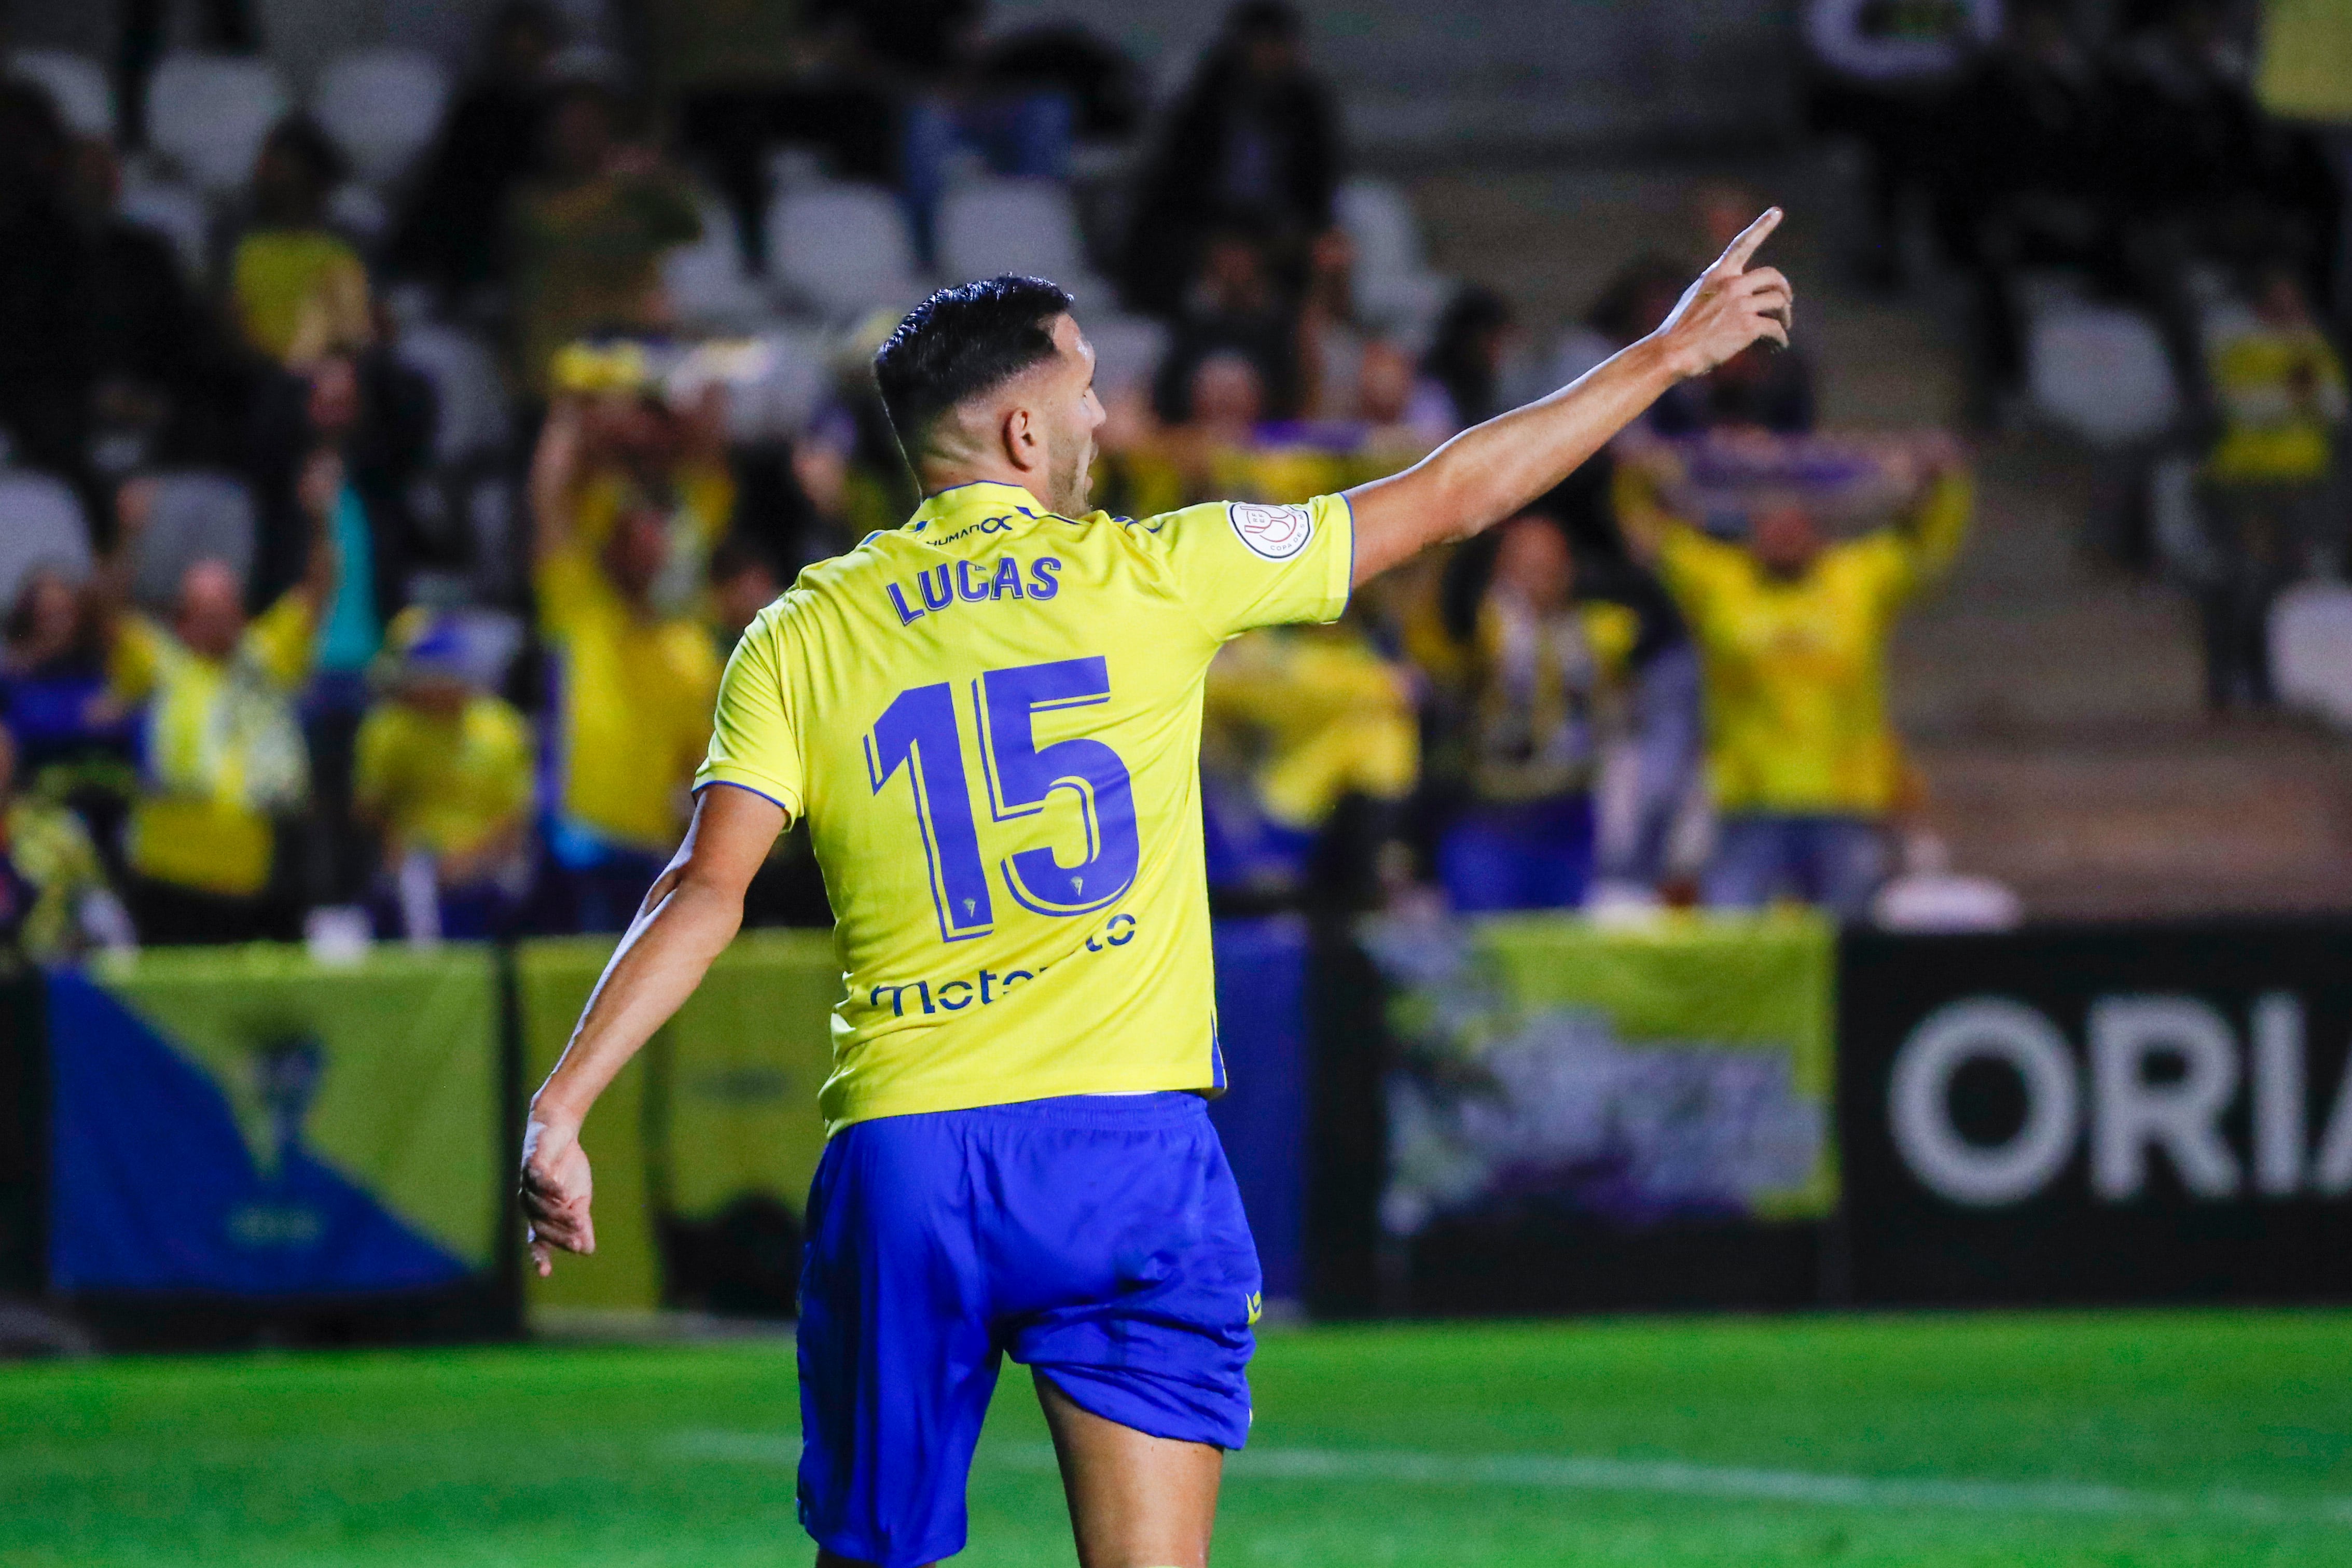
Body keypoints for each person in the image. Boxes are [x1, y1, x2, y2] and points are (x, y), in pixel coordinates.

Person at [517, 216, 1790, 1566]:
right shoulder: (1155, 571)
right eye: (1080, 385)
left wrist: (563, 1100)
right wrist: (1659, 357)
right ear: (1019, 433)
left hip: (910, 1158)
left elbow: (701, 891)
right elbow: (1450, 494)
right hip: (1121, 1156)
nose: (1105, 413)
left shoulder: (800, 631)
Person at [1618, 442, 1971, 919]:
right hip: (1750, 799)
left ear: (1819, 532)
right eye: (1770, 521)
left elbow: (1929, 543)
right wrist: (1640, 471)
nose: (1783, 531)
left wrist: (1947, 481)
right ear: (1751, 531)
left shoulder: (1859, 578)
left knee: (1846, 951)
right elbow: (1647, 529)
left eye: (1796, 521)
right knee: (1735, 945)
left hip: (1844, 801)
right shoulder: (1719, 580)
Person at [94, 460, 335, 945]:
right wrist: (129, 536)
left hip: (256, 868)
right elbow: (107, 609)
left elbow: (318, 590)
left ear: (242, 612)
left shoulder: (267, 653)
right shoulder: (159, 662)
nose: (218, 620)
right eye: (204, 612)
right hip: (168, 866)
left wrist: (319, 520)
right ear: (181, 622)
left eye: (226, 608)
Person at [529, 394, 725, 932]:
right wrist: (573, 401)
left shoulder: (690, 650)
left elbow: (702, 770)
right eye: (628, 535)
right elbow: (549, 498)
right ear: (609, 545)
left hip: (648, 852)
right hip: (571, 839)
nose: (643, 547)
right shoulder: (578, 608)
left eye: (652, 537)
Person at [1437, 513, 1638, 913]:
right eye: (1524, 565)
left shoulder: (1601, 630)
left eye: (1548, 565)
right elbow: (1450, 621)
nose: (1537, 577)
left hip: (1568, 812)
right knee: (1488, 946)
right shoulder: (1485, 628)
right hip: (1491, 814)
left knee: (1556, 948)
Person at [1122, 0, 1341, 314]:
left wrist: (1297, 229)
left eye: (1279, 46)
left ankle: (1320, 343)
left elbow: (1318, 184)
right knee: (1234, 260)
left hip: (1278, 226)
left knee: (1331, 257)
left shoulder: (1306, 110)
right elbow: (1178, 189)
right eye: (1263, 46)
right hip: (1205, 228)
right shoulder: (1203, 106)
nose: (1271, 57)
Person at [2195, 262, 2347, 709]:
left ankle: (2276, 680)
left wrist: (2297, 394)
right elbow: (2247, 407)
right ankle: (2228, 677)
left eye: (2295, 301)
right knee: (2244, 579)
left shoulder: (2310, 347)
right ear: (2262, 306)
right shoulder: (2238, 346)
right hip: (2247, 483)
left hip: (2302, 483)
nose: (2290, 309)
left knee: (2293, 583)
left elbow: (2333, 407)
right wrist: (2297, 401)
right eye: (2280, 300)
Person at [506, 75, 702, 398]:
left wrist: (660, 179)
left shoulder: (638, 191)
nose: (584, 136)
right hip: (565, 353)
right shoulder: (529, 203)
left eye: (595, 124)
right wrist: (621, 185)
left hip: (640, 344)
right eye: (573, 127)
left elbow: (691, 228)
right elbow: (571, 235)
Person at [353, 609, 535, 940]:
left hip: (487, 864)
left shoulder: (500, 728)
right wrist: (398, 847)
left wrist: (469, 860)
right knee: (407, 892)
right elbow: (370, 807)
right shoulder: (390, 728)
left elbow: (516, 816)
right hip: (415, 864)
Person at [389, 1, 562, 308]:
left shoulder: (555, 114)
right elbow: (447, 183)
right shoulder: (478, 108)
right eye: (515, 47)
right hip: (466, 246)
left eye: (532, 47)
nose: (523, 56)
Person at [229, 117, 371, 368]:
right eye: (272, 166)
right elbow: (229, 326)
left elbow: (350, 334)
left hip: (322, 382)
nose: (275, 174)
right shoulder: (242, 246)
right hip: (252, 377)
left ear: (316, 178)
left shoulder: (340, 251)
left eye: (286, 167)